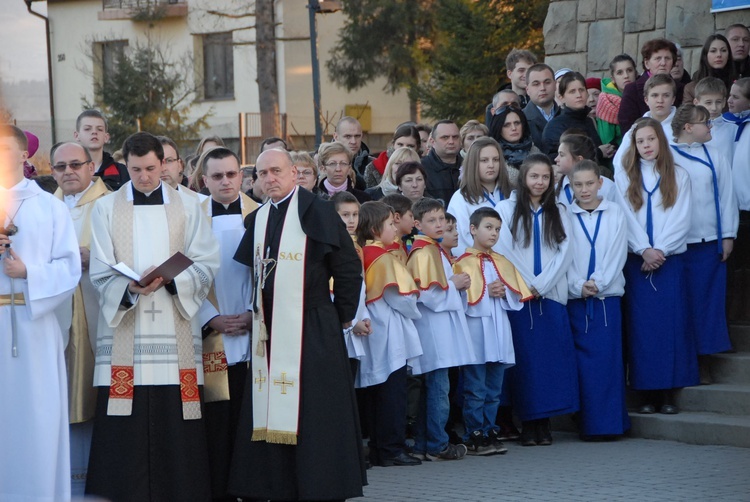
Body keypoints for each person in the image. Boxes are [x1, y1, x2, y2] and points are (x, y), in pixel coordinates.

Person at [86, 132, 221, 501]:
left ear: (164, 163)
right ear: (124, 165)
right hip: (127, 326)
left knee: (175, 414)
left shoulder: (190, 207)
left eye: (150, 168)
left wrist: (174, 280)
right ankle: (124, 490)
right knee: (124, 411)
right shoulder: (106, 208)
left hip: (175, 320)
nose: (144, 176)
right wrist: (129, 288)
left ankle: (182, 489)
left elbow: (207, 261)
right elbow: (100, 267)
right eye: (135, 169)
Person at [229, 148, 367, 501]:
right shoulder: (258, 218)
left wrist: (339, 316)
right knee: (270, 403)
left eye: (276, 171)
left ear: (294, 173)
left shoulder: (318, 210)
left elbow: (348, 269)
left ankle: (320, 484)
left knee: (315, 411)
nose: (269, 179)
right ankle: (277, 484)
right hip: (270, 329)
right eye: (262, 174)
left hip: (315, 325)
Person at [0, 124, 81, 502]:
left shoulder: (49, 206)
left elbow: (69, 268)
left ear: (22, 155)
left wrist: (28, 273)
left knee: (37, 419)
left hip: (35, 327)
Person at [614, 118, 697, 414]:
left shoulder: (678, 175)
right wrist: (643, 249)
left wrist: (659, 250)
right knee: (642, 329)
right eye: (640, 142)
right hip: (639, 262)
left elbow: (681, 218)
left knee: (669, 327)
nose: (646, 146)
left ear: (661, 141)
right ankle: (646, 393)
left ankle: (668, 394)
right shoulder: (626, 176)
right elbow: (625, 217)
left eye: (651, 139)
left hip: (668, 260)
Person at [495, 153, 578, 446]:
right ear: (523, 178)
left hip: (550, 295)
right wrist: (527, 283)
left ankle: (545, 424)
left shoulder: (560, 210)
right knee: (526, 364)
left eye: (545, 177)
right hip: (521, 297)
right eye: (534, 176)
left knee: (550, 363)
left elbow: (565, 251)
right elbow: (504, 250)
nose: (540, 182)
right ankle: (529, 423)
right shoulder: (505, 210)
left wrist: (543, 284)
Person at [195, 146, 258, 501]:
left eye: (231, 174)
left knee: (247, 421)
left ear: (242, 176)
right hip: (209, 334)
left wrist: (253, 314)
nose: (225, 181)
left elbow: (272, 275)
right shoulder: (191, 218)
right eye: (217, 176)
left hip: (252, 332)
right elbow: (183, 275)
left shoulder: (261, 215)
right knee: (216, 425)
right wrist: (211, 317)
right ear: (205, 181)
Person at [50, 141, 111, 496]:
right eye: (60, 167)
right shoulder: (44, 207)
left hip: (97, 311)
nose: (68, 172)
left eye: (76, 164)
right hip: (53, 313)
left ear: (92, 167)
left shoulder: (111, 203)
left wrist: (96, 256)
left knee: (95, 386)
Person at [454, 207, 531, 455]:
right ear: (473, 229)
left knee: (494, 391)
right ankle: (474, 434)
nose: (494, 233)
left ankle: (490, 431)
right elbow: (461, 301)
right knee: (475, 389)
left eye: (497, 229)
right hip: (477, 334)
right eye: (488, 227)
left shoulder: (501, 261)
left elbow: (516, 297)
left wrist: (504, 291)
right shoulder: (461, 263)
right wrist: (485, 291)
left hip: (498, 333)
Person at [670, 105, 738, 383]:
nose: (710, 127)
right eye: (705, 123)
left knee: (707, 304)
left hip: (709, 242)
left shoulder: (716, 154)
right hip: (676, 244)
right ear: (688, 128)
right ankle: (682, 361)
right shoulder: (667, 155)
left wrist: (728, 235)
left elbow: (727, 196)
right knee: (680, 305)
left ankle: (704, 360)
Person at [407, 198, 475, 461]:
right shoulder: (424, 252)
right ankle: (438, 444)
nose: (439, 225)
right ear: (418, 224)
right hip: (434, 331)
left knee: (432, 389)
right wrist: (454, 284)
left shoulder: (435, 251)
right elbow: (427, 296)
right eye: (432, 221)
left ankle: (424, 444)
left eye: (441, 220)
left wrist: (454, 285)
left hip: (439, 330)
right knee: (438, 389)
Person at [565, 160, 630, 440]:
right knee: (584, 368)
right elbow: (563, 255)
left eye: (590, 183)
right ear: (570, 188)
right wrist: (578, 285)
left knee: (608, 363)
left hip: (606, 299)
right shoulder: (564, 214)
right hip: (578, 299)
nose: (585, 189)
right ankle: (589, 425)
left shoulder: (615, 212)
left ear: (600, 183)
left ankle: (612, 425)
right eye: (578, 185)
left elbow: (617, 253)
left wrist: (599, 282)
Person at [355, 201, 423, 467]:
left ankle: (379, 445)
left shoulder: (365, 253)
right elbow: (401, 298)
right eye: (390, 224)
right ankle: (392, 449)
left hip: (372, 329)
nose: (396, 228)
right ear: (374, 228)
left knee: (375, 393)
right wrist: (415, 310)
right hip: (389, 331)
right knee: (393, 393)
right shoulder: (382, 258)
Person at [447, 137, 513, 257]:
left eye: (496, 159)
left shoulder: (512, 194)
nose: (491, 165)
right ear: (473, 163)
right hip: (480, 267)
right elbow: (460, 241)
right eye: (484, 160)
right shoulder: (461, 198)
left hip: (515, 266)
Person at [543, 72, 612, 161]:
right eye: (572, 91)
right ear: (561, 97)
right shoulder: (555, 126)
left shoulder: (590, 121)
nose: (579, 95)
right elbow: (555, 159)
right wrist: (598, 153)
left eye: (581, 90)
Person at [614, 74, 678, 171]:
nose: (660, 100)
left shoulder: (683, 127)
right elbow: (619, 164)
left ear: (673, 99)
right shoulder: (636, 130)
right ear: (646, 100)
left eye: (666, 95)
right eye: (655, 95)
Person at [618, 38, 682, 133]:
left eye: (667, 58)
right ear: (647, 63)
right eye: (658, 58)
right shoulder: (632, 89)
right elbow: (627, 125)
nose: (663, 63)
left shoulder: (681, 88)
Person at [555, 132, 619, 205]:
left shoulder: (607, 187)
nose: (556, 159)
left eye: (561, 155)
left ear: (579, 160)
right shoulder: (555, 189)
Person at [74, 109, 130, 190]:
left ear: (106, 137)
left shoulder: (123, 172)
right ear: (76, 135)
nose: (94, 132)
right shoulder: (68, 171)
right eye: (87, 129)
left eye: (99, 129)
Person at [489, 104, 543, 185]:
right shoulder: (492, 153)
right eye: (507, 125)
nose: (514, 128)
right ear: (498, 128)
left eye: (517, 123)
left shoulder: (534, 151)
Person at [596, 54, 638, 147]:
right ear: (613, 79)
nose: (626, 76)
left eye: (629, 70)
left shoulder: (645, 94)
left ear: (635, 73)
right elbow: (606, 140)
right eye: (620, 72)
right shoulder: (606, 101)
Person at [683, 35, 736, 106]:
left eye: (723, 50)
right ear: (705, 55)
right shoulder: (691, 88)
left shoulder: (737, 85)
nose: (719, 55)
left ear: (729, 55)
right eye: (713, 51)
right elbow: (687, 115)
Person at [421, 120, 462, 205]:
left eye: (455, 137)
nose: (451, 141)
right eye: (445, 137)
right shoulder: (421, 168)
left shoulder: (470, 166)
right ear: (432, 142)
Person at [524, 63, 561, 153]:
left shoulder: (568, 116)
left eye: (547, 82)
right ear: (527, 90)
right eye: (536, 84)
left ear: (555, 85)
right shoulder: (520, 120)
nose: (542, 88)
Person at [694, 77, 733, 155]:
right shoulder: (691, 130)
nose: (714, 108)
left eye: (718, 102)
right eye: (708, 102)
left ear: (724, 102)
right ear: (696, 103)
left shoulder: (733, 129)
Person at [381, 192, 416, 261]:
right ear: (397, 217)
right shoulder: (392, 250)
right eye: (411, 216)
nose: (414, 221)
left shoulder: (399, 244)